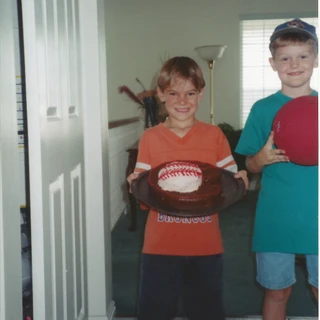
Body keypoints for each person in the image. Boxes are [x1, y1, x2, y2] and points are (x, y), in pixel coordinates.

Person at [127, 56, 249, 320]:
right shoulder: (150, 138)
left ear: (201, 94)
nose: (182, 101)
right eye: (173, 93)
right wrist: (135, 184)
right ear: (161, 94)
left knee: (206, 311)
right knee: (155, 312)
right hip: (160, 246)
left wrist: (240, 179)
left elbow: (228, 181)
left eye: (190, 93)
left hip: (205, 244)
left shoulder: (214, 135)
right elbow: (144, 190)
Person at [235, 18, 318, 320]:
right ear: (273, 63)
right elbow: (249, 164)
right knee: (277, 291)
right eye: (285, 57)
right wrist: (262, 159)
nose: (294, 64)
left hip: (317, 215)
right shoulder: (262, 109)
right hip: (276, 216)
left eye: (303, 56)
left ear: (316, 59)